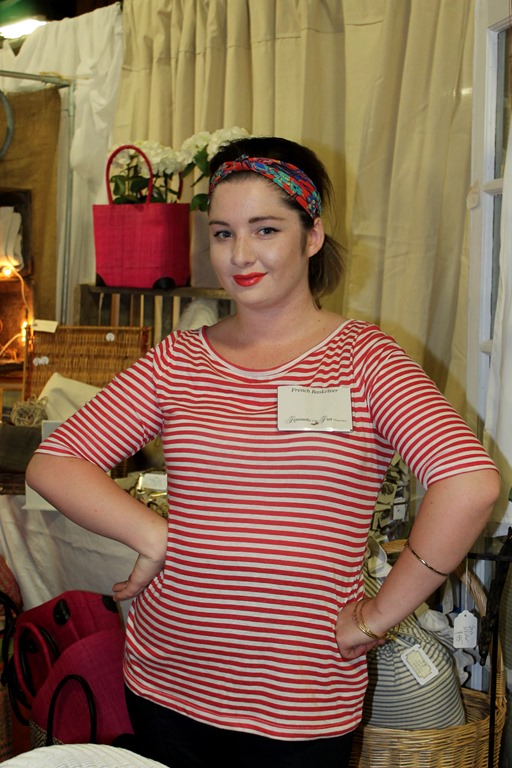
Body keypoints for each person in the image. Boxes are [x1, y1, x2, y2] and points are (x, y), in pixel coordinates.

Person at [26, 136, 499, 768]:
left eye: (265, 229)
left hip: (299, 701)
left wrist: (376, 617)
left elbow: (469, 484)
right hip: (168, 679)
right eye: (223, 234)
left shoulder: (365, 360)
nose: (240, 255)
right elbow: (55, 462)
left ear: (312, 236)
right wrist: (155, 535)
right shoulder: (179, 360)